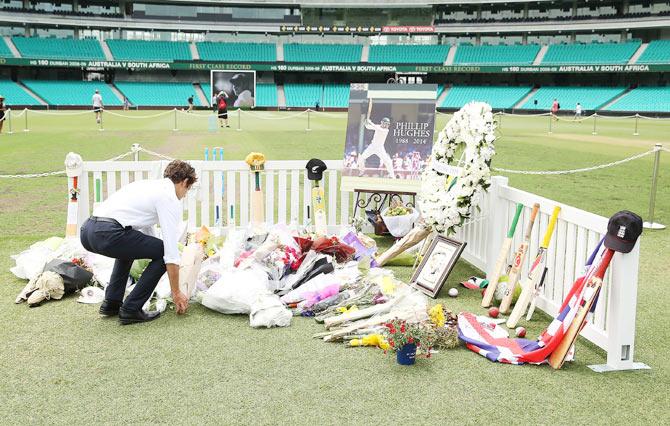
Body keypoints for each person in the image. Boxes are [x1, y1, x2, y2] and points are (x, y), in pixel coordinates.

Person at [79, 160, 197, 325]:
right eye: (188, 189)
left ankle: (112, 303)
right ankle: (131, 309)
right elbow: (170, 254)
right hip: (108, 232)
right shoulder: (169, 197)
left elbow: (145, 235)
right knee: (164, 253)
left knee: (129, 248)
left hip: (88, 231)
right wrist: (176, 292)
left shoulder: (149, 186)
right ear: (184, 182)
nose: (185, 194)